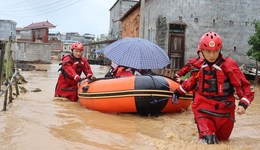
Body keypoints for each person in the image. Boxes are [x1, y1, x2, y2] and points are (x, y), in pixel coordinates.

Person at [173, 32, 254, 144]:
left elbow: (245, 86)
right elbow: (191, 81)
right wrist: (178, 92)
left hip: (225, 111)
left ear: (219, 50)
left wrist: (243, 104)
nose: (212, 55)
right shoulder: (199, 65)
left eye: (215, 51)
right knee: (209, 140)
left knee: (223, 141)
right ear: (202, 51)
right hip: (203, 109)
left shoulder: (229, 65)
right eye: (208, 51)